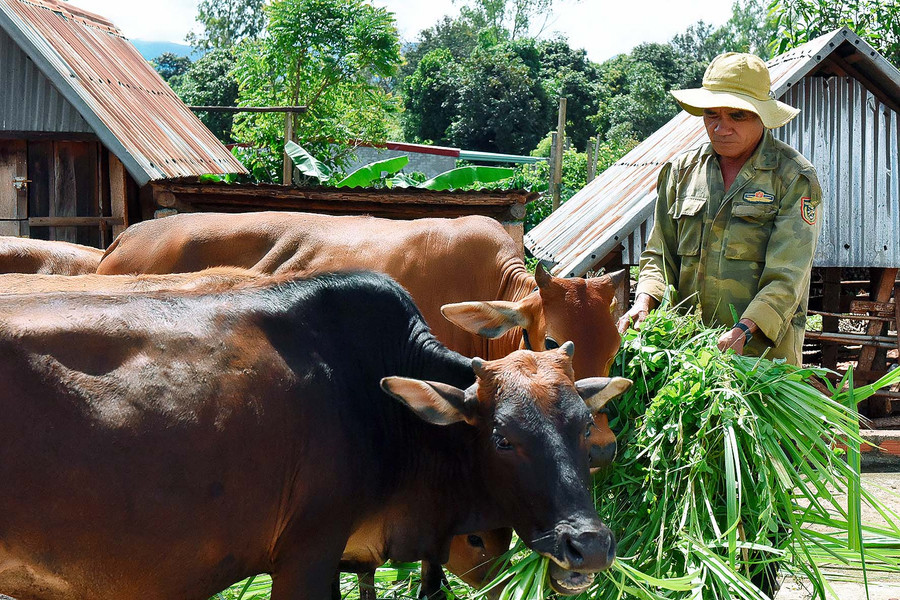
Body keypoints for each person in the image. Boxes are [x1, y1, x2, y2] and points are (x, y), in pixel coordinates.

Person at [616, 52, 822, 366]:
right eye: (712, 114)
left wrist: (745, 328)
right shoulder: (681, 171)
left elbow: (788, 276)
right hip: (685, 354)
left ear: (761, 117)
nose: (721, 127)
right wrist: (644, 300)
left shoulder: (792, 178)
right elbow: (660, 254)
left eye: (737, 115)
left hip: (761, 359)